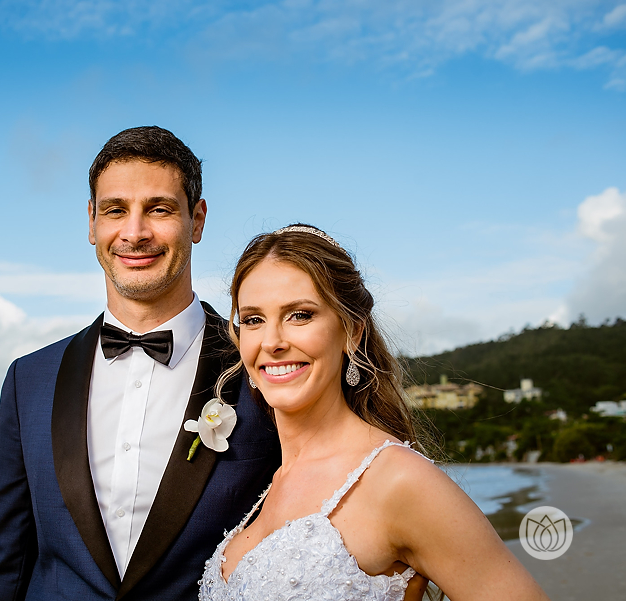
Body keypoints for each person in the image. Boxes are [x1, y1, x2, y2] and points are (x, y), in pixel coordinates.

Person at [0, 126, 283, 601]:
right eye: (115, 210)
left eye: (159, 209)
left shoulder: (264, 369)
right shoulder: (28, 380)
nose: (134, 233)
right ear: (91, 222)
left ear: (197, 220)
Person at [198, 224, 550, 601]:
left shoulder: (400, 480)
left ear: (351, 330)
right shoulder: (269, 482)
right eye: (253, 319)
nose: (272, 342)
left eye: (300, 315)